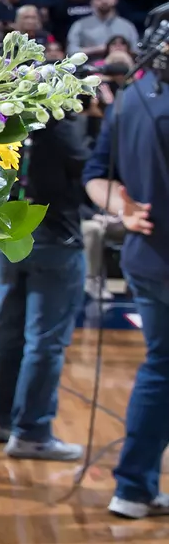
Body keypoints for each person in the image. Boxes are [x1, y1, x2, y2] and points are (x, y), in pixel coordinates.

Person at [86, 35, 169, 518]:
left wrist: (124, 209)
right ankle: (135, 486)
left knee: (159, 369)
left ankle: (134, 488)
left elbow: (96, 175)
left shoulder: (132, 98)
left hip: (144, 257)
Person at [0, 115, 91, 460]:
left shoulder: (3, 121)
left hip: (6, 235)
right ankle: (31, 431)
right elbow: (87, 170)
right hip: (55, 240)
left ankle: (8, 422)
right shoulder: (62, 127)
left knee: (10, 333)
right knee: (45, 340)